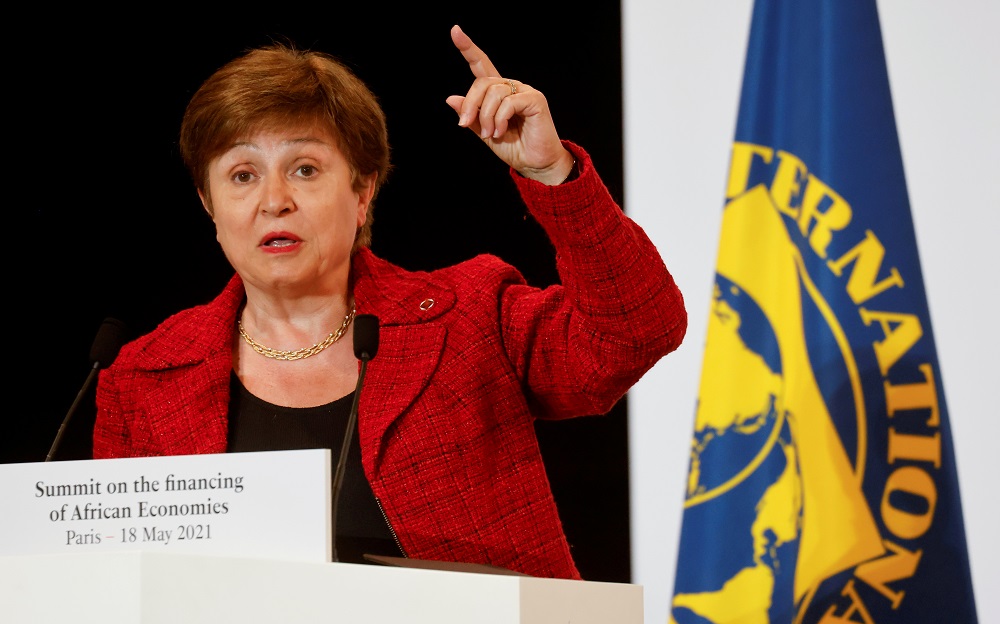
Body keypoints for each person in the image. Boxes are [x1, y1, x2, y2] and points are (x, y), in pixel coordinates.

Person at [93, 25, 687, 580]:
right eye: (243, 175)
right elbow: (123, 588)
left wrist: (551, 172)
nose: (274, 200)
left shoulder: (469, 319)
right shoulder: (144, 381)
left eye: (304, 169)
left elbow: (635, 330)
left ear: (363, 191)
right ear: (208, 204)